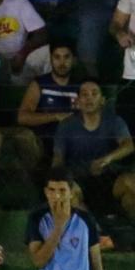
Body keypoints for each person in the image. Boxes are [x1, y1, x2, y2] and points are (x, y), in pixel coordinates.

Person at [52, 80, 135, 220]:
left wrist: (107, 159)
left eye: (94, 93)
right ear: (77, 101)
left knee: (130, 185)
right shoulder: (66, 126)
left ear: (102, 100)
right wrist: (57, 177)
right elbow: (58, 158)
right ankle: (93, 233)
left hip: (110, 177)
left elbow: (129, 145)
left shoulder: (114, 121)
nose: (89, 98)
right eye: (84, 94)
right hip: (79, 179)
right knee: (68, 194)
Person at [16, 39, 80, 167]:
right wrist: (55, 116)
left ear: (73, 59)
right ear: (51, 59)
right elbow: (22, 117)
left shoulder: (81, 85)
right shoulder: (40, 84)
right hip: (43, 141)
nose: (62, 63)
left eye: (66, 57)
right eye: (57, 57)